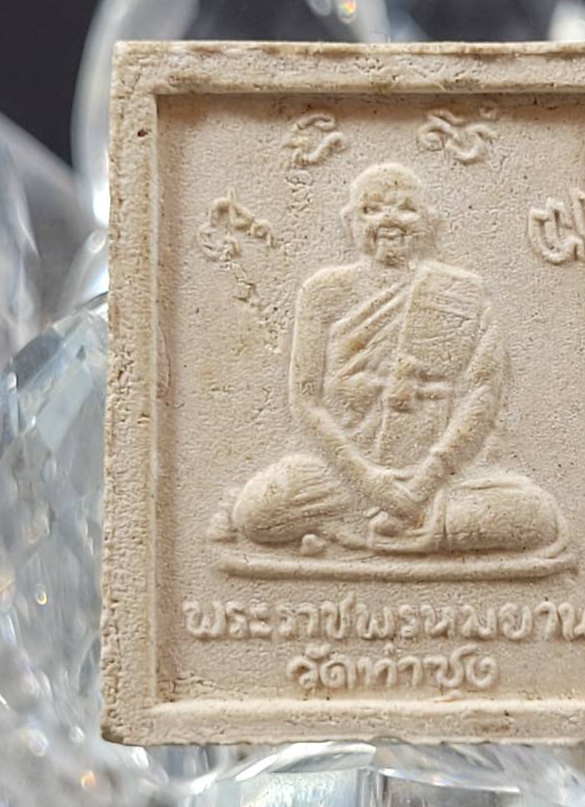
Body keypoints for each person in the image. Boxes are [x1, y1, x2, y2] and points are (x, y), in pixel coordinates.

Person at [228, 162, 565, 557]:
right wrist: (369, 481)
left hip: (437, 474)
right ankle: (407, 525)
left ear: (430, 222)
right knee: (256, 512)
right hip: (347, 472)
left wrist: (423, 483)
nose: (388, 219)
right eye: (371, 210)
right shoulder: (323, 291)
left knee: (536, 515)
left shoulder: (463, 292)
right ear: (349, 222)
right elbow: (306, 400)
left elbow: (481, 395)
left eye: (406, 208)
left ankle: (393, 525)